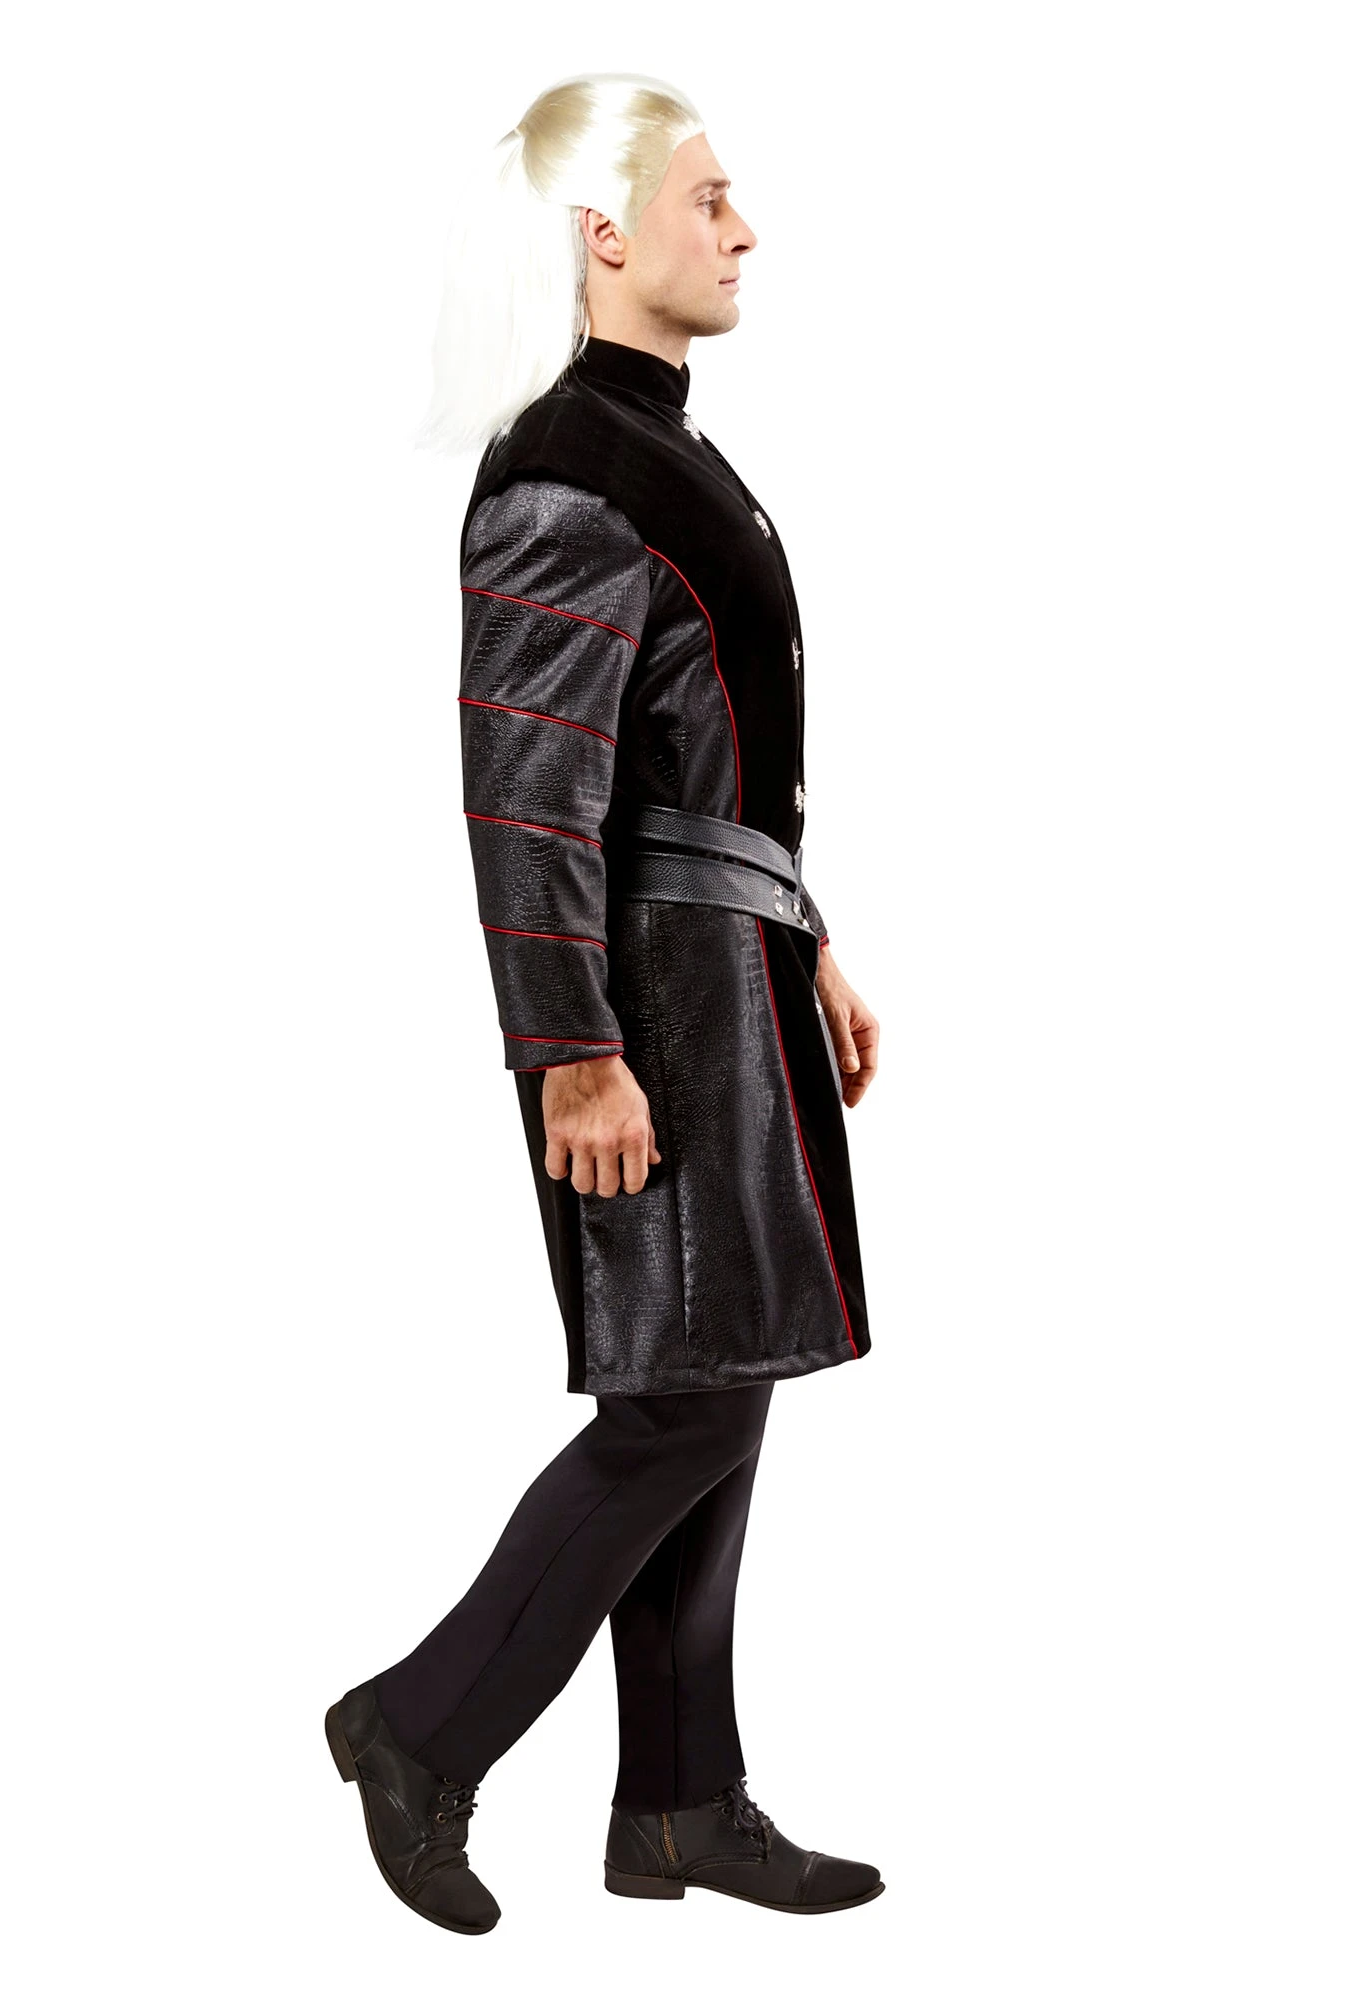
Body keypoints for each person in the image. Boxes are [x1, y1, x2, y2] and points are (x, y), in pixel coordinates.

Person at [325, 72, 884, 1935]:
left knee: (711, 1388)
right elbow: (530, 797)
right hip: (648, 1007)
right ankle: (419, 1727)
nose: (743, 229)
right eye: (710, 198)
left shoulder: (655, 446)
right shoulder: (570, 467)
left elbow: (691, 757)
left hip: (728, 974)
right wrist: (572, 1052)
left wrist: (807, 936)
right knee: (677, 1411)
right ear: (604, 231)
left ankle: (678, 1805)